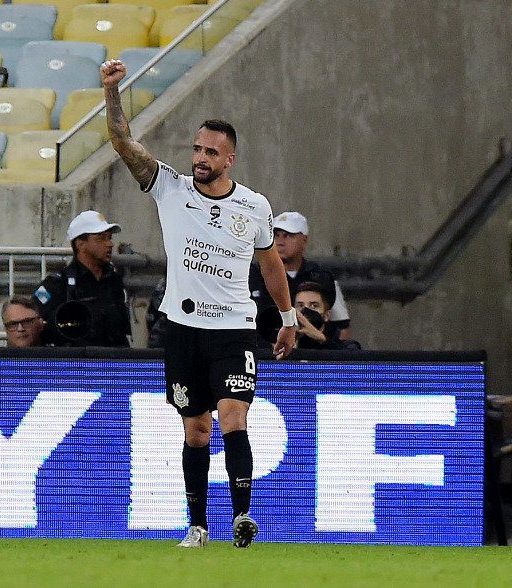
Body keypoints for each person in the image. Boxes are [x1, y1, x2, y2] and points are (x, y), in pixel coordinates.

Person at [101, 59, 297, 549]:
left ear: (229, 159)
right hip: (182, 330)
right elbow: (124, 143)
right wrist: (112, 92)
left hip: (234, 329)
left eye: (211, 151)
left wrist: (288, 318)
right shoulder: (170, 187)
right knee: (196, 432)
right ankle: (197, 524)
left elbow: (271, 265)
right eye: (196, 148)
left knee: (234, 416)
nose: (200, 157)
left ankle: (243, 516)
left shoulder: (254, 206)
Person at [32, 210, 131, 347]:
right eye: (101, 238)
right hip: (75, 363)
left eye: (109, 237)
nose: (110, 244)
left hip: (112, 363)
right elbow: (36, 327)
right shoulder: (56, 284)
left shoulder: (114, 281)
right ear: (80, 244)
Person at [248, 211, 353, 339]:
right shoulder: (252, 274)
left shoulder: (322, 277)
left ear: (304, 240)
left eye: (288, 236)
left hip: (312, 352)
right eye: (275, 235)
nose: (280, 242)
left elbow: (343, 328)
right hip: (262, 352)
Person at [293, 282, 361, 351]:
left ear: (326, 315)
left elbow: (349, 357)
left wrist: (321, 339)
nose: (305, 310)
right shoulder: (286, 342)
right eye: (300, 306)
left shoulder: (348, 346)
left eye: (314, 306)